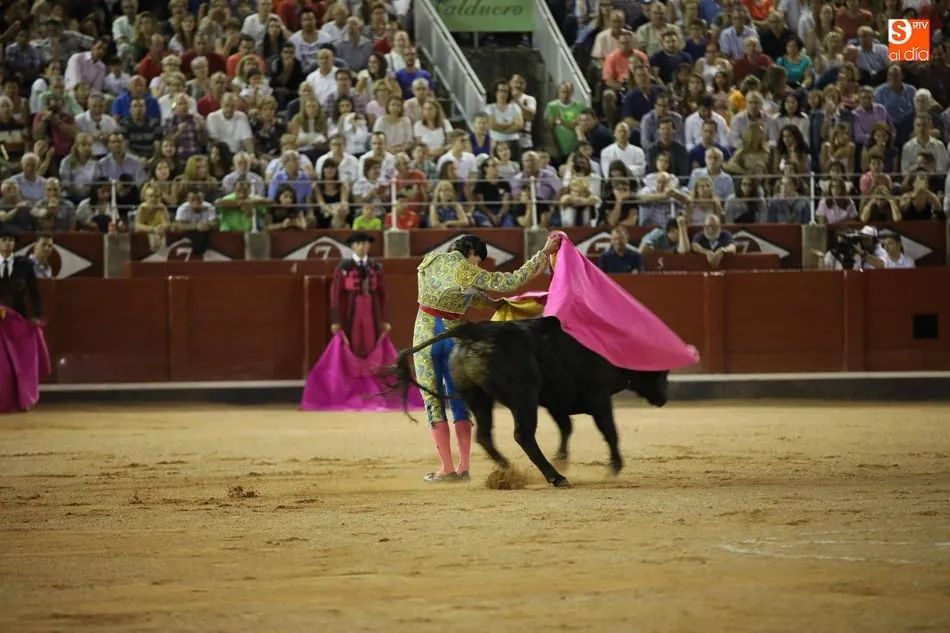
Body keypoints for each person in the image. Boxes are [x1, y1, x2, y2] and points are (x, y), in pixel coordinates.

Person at [414, 232, 561, 483]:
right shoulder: (467, 269)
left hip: (424, 335)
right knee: (460, 398)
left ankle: (446, 468)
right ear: (471, 252)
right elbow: (511, 281)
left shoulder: (430, 260)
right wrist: (543, 254)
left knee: (432, 401)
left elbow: (453, 291)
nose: (477, 265)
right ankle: (463, 467)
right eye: (478, 260)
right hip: (453, 338)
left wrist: (490, 303)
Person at [0, 226, 48, 413]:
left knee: (19, 362)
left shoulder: (24, 265)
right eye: (4, 240)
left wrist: (35, 315)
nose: (8, 244)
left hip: (16, 320)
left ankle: (21, 399)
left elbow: (35, 293)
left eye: (11, 240)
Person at [329, 232, 390, 359]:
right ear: (353, 246)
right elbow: (335, 295)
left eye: (365, 243)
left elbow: (383, 294)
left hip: (371, 309)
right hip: (350, 309)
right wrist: (335, 320)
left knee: (371, 343)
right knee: (352, 343)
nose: (362, 246)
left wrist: (386, 319)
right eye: (359, 243)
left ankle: (370, 371)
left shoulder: (375, 267)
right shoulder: (343, 267)